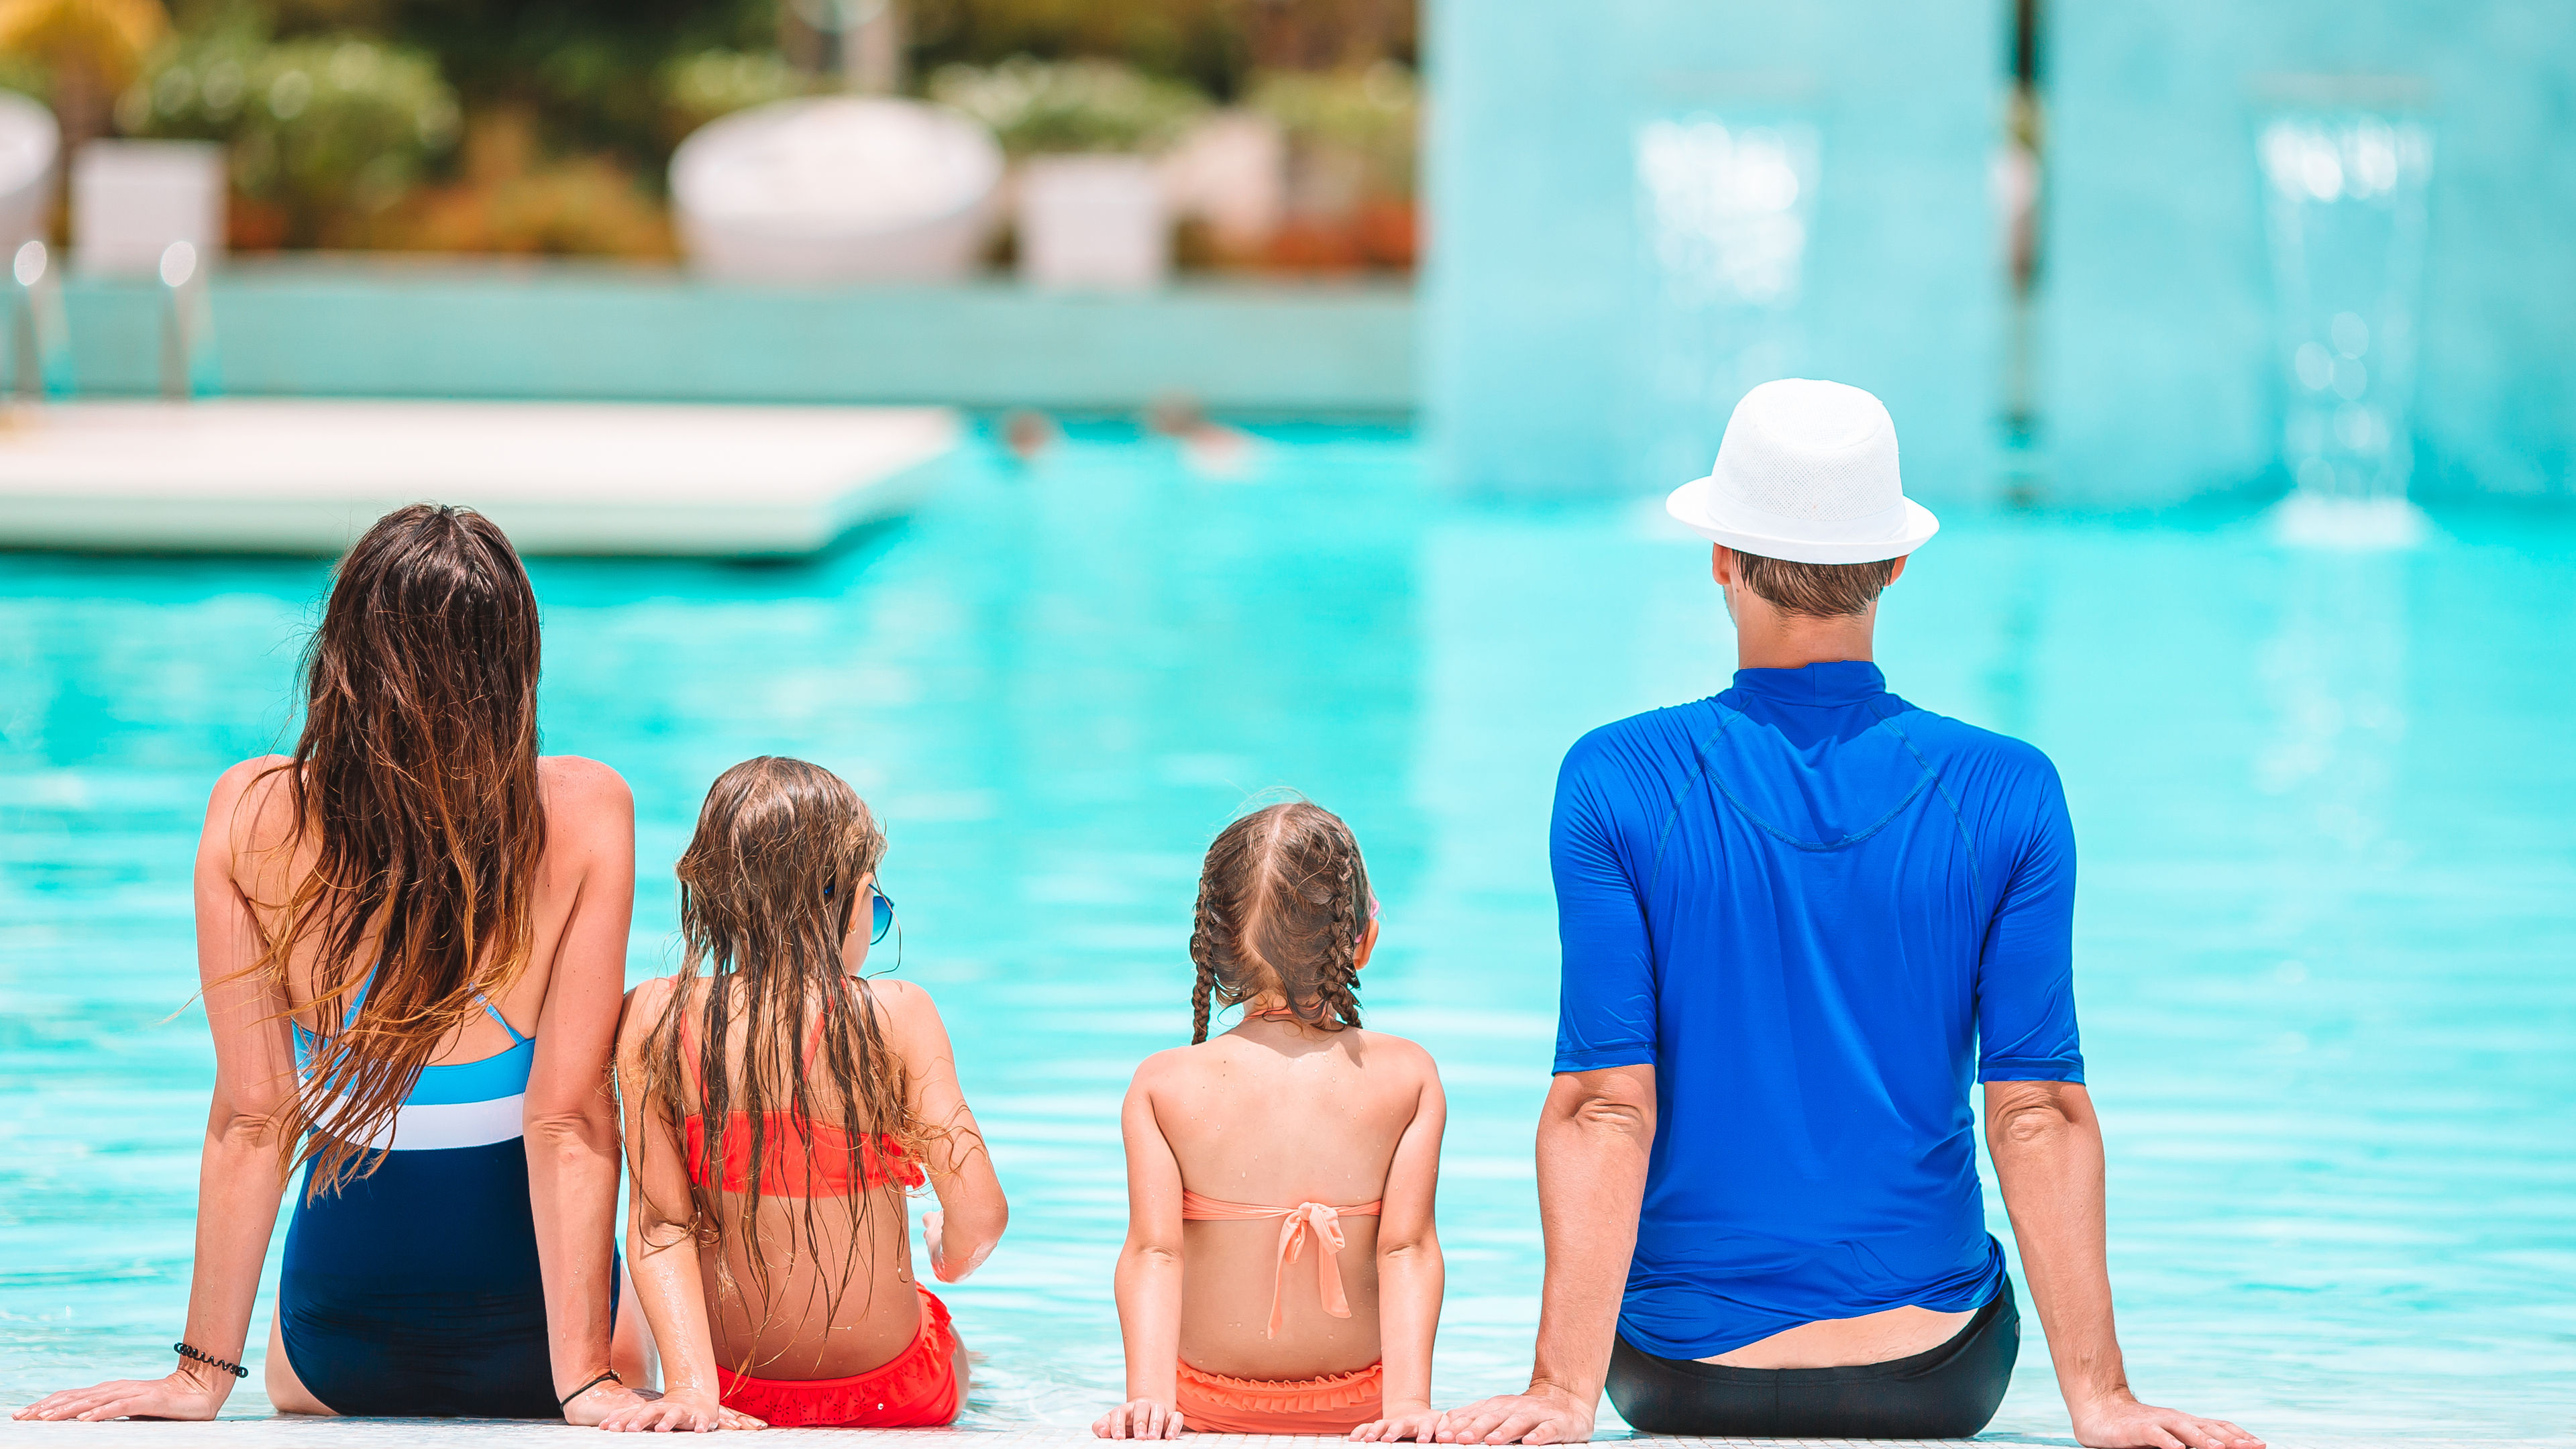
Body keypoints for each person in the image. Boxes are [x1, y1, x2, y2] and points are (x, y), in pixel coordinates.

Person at [1437, 381, 2265, 1447]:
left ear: (1722, 557)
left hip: (1677, 1375)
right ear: (1896, 564)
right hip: (1935, 1373)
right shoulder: (2009, 790)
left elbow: (1605, 1103)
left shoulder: (1616, 779)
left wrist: (1558, 1393)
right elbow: (2037, 1112)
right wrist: (2103, 1403)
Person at [15, 504, 651, 1423]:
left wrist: (198, 1376)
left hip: (331, 1353)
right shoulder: (589, 814)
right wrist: (588, 1382)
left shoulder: (250, 815)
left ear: (342, 657)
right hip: (549, 1353)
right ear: (515, 666)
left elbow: (252, 1118)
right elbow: (568, 1121)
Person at [600, 757, 1007, 1432]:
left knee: (637, 1311)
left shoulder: (654, 1018)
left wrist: (697, 1392)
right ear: (839, 901)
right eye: (873, 902)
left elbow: (658, 1227)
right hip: (893, 1391)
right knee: (963, 1347)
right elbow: (984, 1214)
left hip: (735, 1391)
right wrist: (949, 1252)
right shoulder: (897, 1014)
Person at [1095, 802, 1446, 1442]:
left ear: (1214, 947)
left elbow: (1153, 1251)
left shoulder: (1164, 1084)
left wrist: (1148, 1399)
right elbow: (1408, 1248)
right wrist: (1408, 1407)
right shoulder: (1406, 1075)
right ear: (1360, 941)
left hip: (1200, 1401)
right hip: (1365, 1404)